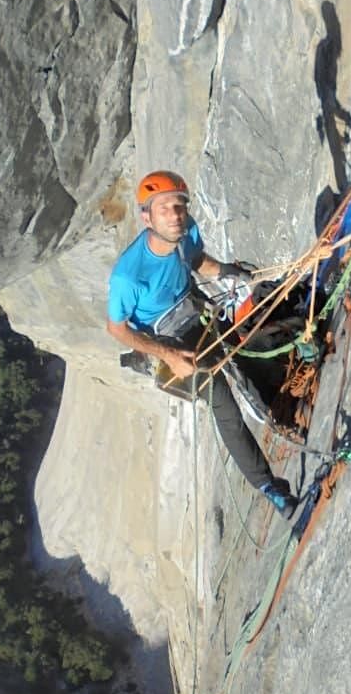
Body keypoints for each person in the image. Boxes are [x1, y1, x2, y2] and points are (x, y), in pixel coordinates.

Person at [106, 170, 299, 519]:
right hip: (166, 341)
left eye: (179, 206)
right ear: (147, 217)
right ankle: (269, 487)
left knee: (245, 352)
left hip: (196, 312)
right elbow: (116, 328)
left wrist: (228, 271)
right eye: (164, 208)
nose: (175, 215)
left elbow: (196, 261)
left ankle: (283, 407)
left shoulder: (184, 234)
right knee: (223, 402)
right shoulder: (128, 275)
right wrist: (168, 356)